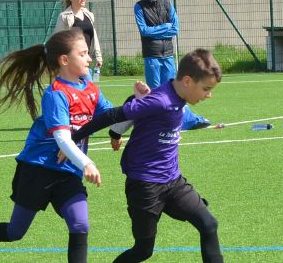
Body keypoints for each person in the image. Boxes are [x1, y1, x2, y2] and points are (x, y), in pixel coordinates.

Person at [0, 28, 130, 263]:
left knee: (80, 223)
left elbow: (114, 117)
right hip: (38, 170)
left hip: (67, 173)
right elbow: (62, 138)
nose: (90, 58)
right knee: (15, 232)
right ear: (65, 60)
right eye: (83, 53)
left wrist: (137, 102)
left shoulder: (90, 89)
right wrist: (86, 162)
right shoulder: (56, 94)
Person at [71, 49, 224, 263]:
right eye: (206, 89)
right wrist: (74, 139)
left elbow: (139, 110)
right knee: (143, 250)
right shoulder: (161, 101)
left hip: (173, 181)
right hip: (145, 186)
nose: (209, 95)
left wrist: (116, 132)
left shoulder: (174, 93)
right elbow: (115, 114)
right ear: (188, 81)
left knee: (209, 224)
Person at [134, 0, 211, 130]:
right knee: (154, 92)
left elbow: (175, 29)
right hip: (151, 55)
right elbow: (144, 30)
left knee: (176, 90)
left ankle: (187, 121)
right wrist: (165, 27)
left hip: (168, 55)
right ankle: (155, 124)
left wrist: (160, 30)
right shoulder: (139, 6)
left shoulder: (167, 4)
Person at [54, 0, 103, 82]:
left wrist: (98, 56)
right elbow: (58, 39)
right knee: (87, 89)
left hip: (85, 59)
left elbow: (94, 36)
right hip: (72, 61)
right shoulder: (64, 17)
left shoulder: (89, 15)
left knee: (87, 89)